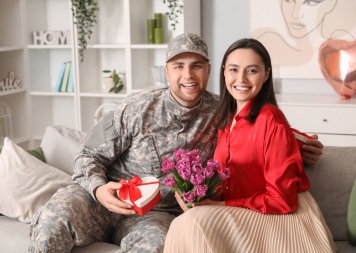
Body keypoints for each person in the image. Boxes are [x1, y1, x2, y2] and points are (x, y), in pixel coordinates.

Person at [29, 33, 324, 253]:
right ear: (166, 71)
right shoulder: (135, 108)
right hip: (104, 200)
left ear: (209, 71)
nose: (188, 75)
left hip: (158, 215)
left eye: (196, 66)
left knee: (158, 246)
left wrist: (304, 145)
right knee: (55, 216)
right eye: (178, 66)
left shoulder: (221, 111)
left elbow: (260, 129)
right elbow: (86, 154)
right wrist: (97, 188)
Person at [163, 38, 336, 253]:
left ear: (266, 75)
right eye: (234, 69)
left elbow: (282, 200)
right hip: (243, 213)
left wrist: (216, 207)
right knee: (185, 222)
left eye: (252, 70)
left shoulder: (271, 118)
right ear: (224, 72)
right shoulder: (225, 120)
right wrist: (197, 199)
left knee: (191, 223)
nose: (241, 79)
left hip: (282, 217)